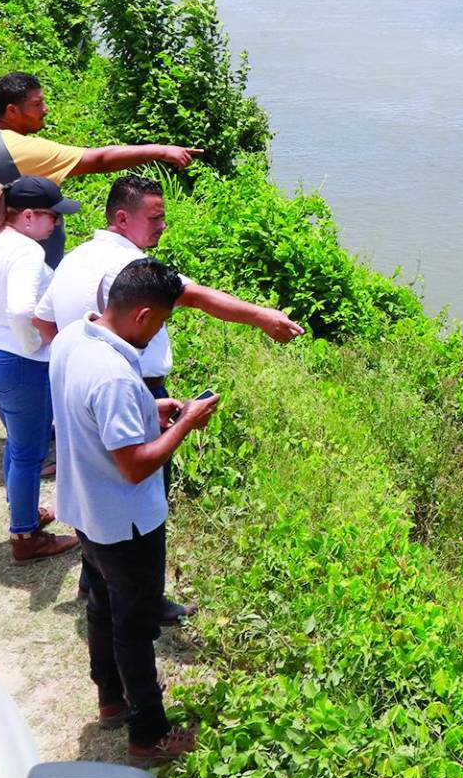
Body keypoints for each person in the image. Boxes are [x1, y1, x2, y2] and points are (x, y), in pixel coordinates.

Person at [34, 174, 304, 623]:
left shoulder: (75, 257)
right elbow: (194, 296)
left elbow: (44, 323)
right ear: (123, 218)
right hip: (125, 388)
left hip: (74, 388)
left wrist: (76, 363)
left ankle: (96, 580)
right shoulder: (128, 272)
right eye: (154, 218)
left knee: (91, 489)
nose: (162, 226)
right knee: (140, 501)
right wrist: (262, 317)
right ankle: (146, 602)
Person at [50, 258, 218, 765]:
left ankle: (111, 700)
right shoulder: (116, 379)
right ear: (143, 314)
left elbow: (95, 422)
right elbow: (135, 465)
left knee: (102, 606)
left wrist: (153, 412)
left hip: (86, 508)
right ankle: (149, 736)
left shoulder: (72, 340)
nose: (161, 329)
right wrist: (186, 423)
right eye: (163, 320)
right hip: (126, 521)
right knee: (136, 625)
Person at [0, 72, 203, 266]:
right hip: (26, 261)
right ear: (12, 111)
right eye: (37, 104)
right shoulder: (21, 149)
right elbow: (100, 160)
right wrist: (161, 150)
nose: (44, 110)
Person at [0, 176, 81, 564]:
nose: (57, 225)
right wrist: (36, 344)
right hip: (16, 364)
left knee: (16, 441)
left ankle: (24, 512)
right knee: (29, 453)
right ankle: (26, 538)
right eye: (53, 218)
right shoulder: (25, 252)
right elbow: (18, 310)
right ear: (27, 216)